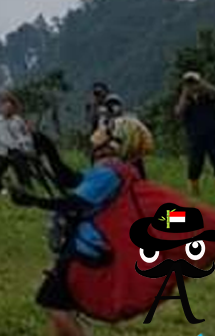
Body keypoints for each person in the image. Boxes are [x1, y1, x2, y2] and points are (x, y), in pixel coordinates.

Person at [10, 124, 130, 336]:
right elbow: (69, 179)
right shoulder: (110, 173)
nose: (103, 157)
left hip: (88, 252)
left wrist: (32, 201)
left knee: (51, 301)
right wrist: (48, 148)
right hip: (88, 249)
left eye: (108, 152)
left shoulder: (109, 175)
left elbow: (73, 203)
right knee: (62, 305)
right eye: (100, 153)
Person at [175, 71, 215, 194]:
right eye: (189, 83)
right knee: (195, 163)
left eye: (193, 82)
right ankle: (194, 192)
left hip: (214, 134)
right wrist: (185, 94)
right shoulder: (185, 99)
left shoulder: (208, 95)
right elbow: (178, 113)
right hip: (195, 136)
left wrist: (203, 85)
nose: (192, 85)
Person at [0, 92, 36, 194]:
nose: (7, 109)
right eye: (5, 106)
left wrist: (26, 145)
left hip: (16, 149)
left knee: (22, 168)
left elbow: (26, 134)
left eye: (10, 107)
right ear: (1, 107)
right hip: (2, 150)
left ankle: (27, 188)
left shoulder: (18, 120)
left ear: (13, 108)